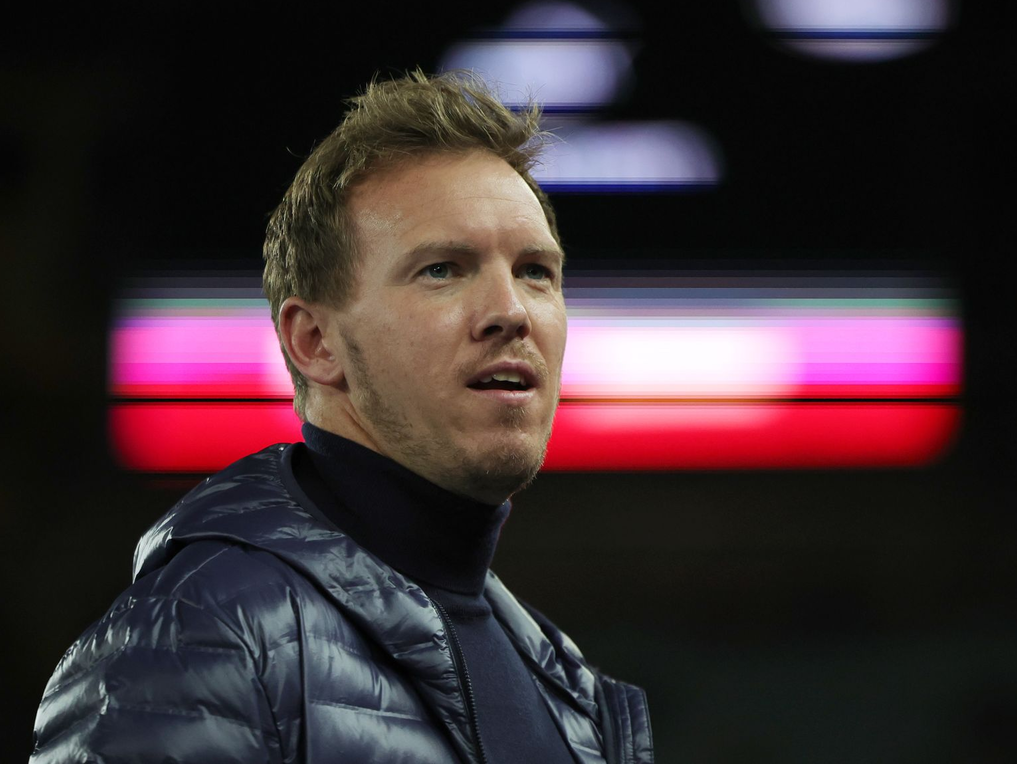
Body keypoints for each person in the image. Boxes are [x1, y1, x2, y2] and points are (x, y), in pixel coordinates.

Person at [30, 71, 653, 763]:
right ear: (315, 343)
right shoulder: (200, 634)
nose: (510, 311)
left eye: (536, 271)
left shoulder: (570, 691)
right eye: (443, 269)